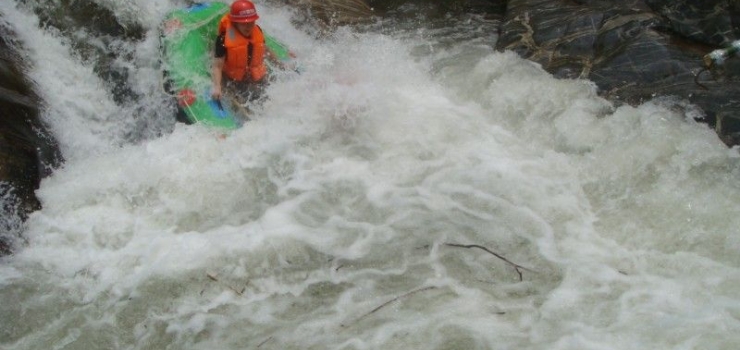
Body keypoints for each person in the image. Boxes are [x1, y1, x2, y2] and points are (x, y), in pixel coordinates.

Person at [211, 0, 283, 104]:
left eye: (251, 22)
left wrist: (280, 64)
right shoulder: (223, 39)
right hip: (234, 80)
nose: (248, 26)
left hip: (255, 76)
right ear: (235, 23)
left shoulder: (257, 30)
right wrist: (217, 87)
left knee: (272, 98)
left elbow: (265, 49)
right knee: (248, 101)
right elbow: (217, 66)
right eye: (244, 23)